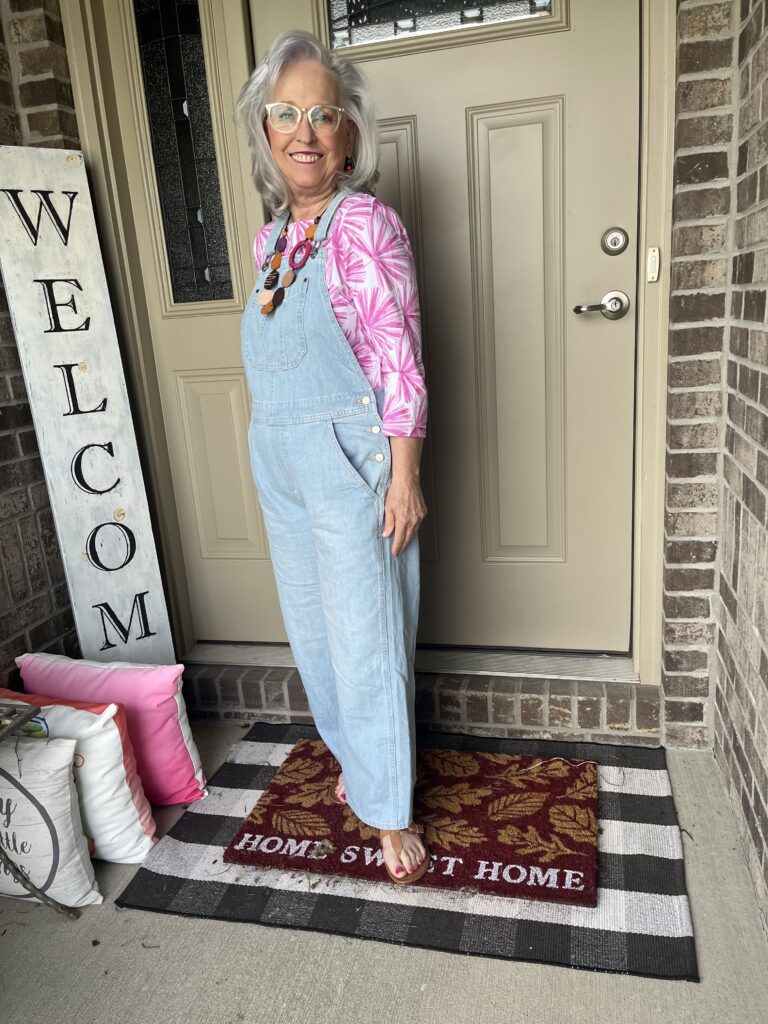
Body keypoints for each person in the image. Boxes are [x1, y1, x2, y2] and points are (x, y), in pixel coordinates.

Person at [235, 29, 429, 884]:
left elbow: (398, 360)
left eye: (323, 114)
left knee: (366, 638)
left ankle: (389, 811)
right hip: (280, 458)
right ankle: (361, 765)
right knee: (315, 638)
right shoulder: (271, 241)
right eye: (286, 113)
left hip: (349, 459)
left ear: (348, 132)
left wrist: (405, 478)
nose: (304, 132)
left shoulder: (365, 225)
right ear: (265, 129)